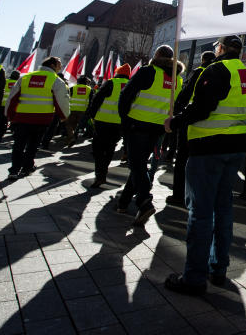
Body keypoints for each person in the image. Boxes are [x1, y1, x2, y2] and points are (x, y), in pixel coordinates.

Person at [165, 35, 246, 295]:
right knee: (223, 209)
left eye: (217, 47)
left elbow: (203, 107)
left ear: (223, 49)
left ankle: (194, 278)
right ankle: (218, 268)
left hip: (207, 149)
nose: (216, 50)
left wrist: (176, 121)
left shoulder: (216, 69)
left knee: (201, 213)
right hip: (234, 150)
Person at [117, 45, 183, 226]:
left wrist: (125, 119)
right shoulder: (177, 79)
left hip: (137, 124)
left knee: (137, 165)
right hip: (158, 128)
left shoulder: (149, 71)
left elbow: (126, 95)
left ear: (158, 55)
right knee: (138, 164)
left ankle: (145, 201)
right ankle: (123, 202)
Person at [5, 56, 70, 179]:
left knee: (18, 144)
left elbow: (12, 97)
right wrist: (64, 116)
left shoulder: (25, 77)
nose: (60, 67)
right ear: (52, 65)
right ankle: (27, 167)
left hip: (22, 117)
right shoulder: (56, 81)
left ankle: (14, 170)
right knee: (33, 145)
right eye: (59, 64)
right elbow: (62, 101)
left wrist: (10, 114)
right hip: (42, 118)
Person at [167, 51, 215, 206]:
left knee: (182, 160)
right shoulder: (220, 73)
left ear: (202, 60)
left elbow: (185, 95)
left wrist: (176, 115)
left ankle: (178, 195)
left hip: (191, 122)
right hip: (211, 127)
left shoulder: (200, 72)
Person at [84, 64, 131, 188]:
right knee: (110, 148)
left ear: (118, 72)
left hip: (102, 121)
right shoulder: (132, 85)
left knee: (97, 148)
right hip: (119, 123)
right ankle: (103, 171)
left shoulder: (111, 82)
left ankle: (100, 174)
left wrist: (91, 115)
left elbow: (97, 99)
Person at [0, 70, 20, 145]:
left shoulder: (5, 81)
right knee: (4, 123)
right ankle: (0, 137)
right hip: (9, 107)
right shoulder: (18, 84)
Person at [65, 76, 93, 145]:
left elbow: (67, 98)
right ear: (86, 82)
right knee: (78, 125)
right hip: (83, 111)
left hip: (72, 109)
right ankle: (73, 137)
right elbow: (91, 101)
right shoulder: (89, 89)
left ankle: (71, 137)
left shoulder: (73, 88)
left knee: (69, 124)